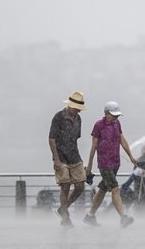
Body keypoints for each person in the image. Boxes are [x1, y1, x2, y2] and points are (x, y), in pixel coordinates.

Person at [83, 101, 137, 228]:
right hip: (104, 163)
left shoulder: (117, 123)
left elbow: (122, 140)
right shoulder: (98, 125)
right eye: (113, 115)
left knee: (102, 189)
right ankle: (123, 217)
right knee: (115, 188)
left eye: (117, 115)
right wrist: (89, 166)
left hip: (115, 162)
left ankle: (89, 216)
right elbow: (93, 147)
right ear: (106, 113)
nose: (116, 118)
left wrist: (131, 156)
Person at [49, 91, 87, 227]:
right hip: (61, 157)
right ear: (70, 106)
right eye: (77, 109)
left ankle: (63, 208)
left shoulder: (78, 119)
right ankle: (65, 217)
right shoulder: (58, 117)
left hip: (75, 156)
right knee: (65, 186)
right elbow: (52, 138)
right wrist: (56, 159)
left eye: (79, 109)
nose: (79, 111)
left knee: (80, 186)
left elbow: (75, 138)